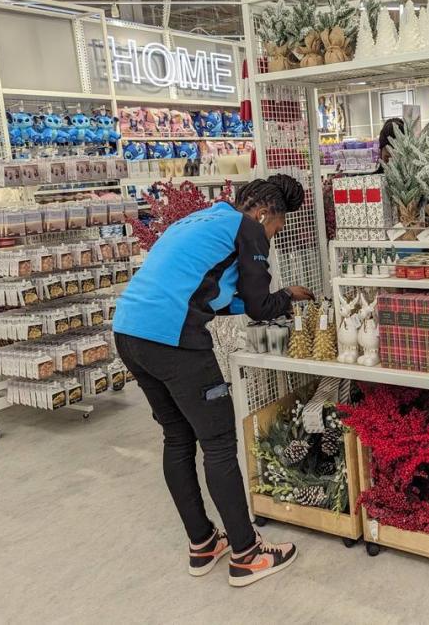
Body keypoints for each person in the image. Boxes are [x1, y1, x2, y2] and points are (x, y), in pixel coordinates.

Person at [113, 175, 315, 587]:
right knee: (219, 442)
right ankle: (247, 553)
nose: (273, 234)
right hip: (174, 339)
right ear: (264, 213)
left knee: (178, 437)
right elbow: (260, 307)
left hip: (130, 332)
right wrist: (290, 296)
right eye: (277, 226)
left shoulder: (201, 220)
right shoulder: (250, 229)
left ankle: (203, 543)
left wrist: (267, 299)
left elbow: (212, 296)